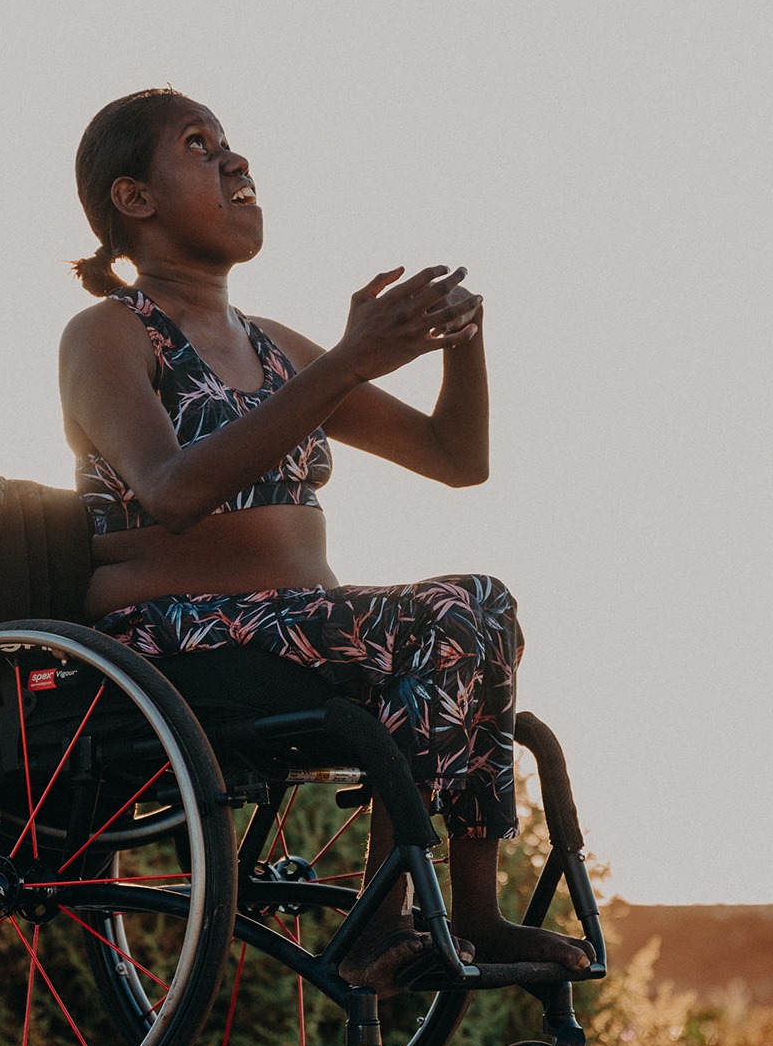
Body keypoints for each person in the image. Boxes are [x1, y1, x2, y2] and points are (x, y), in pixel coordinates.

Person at [59, 87, 594, 997]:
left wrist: (461, 341)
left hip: (305, 631)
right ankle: (378, 927)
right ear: (134, 198)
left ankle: (469, 911)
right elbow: (172, 489)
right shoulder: (108, 334)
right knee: (454, 609)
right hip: (170, 641)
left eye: (232, 144)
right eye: (199, 146)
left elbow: (455, 457)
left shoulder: (275, 348)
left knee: (483, 609)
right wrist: (351, 357)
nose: (236, 162)